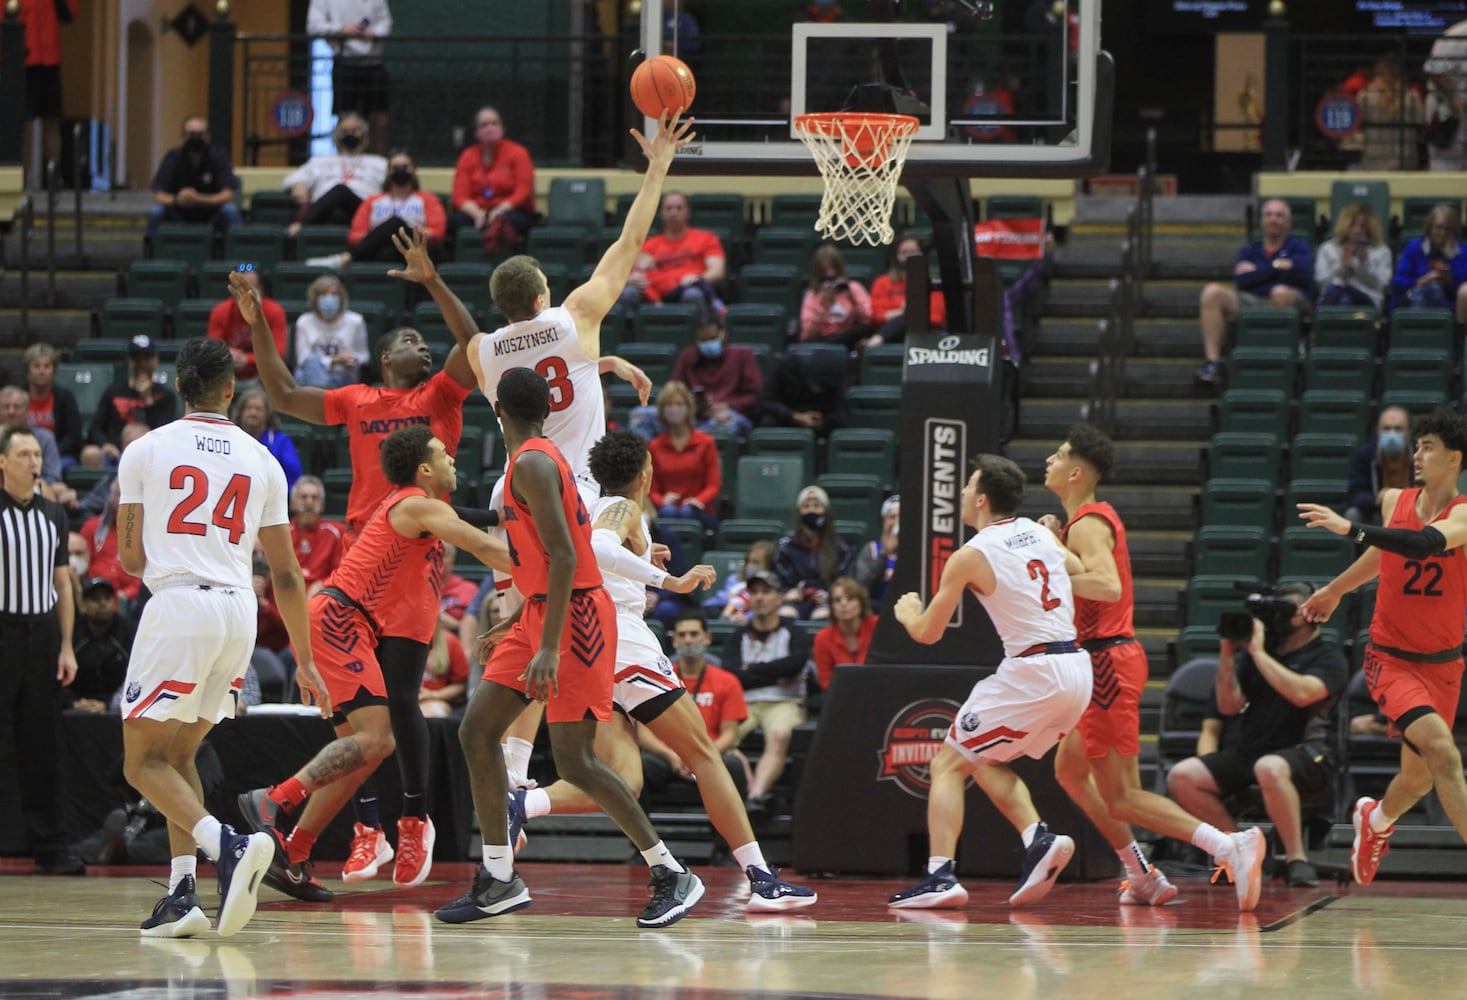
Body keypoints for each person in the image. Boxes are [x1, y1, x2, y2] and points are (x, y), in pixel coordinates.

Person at [236, 240, 476, 883]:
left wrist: (433, 282)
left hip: (417, 551)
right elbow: (282, 390)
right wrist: (258, 322)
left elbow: (472, 343)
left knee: (400, 702)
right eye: (407, 339)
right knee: (360, 718)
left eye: (423, 343)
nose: (420, 347)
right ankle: (363, 828)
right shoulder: (355, 399)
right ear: (381, 355)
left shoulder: (442, 398)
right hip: (361, 559)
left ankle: (411, 821)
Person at [503, 429, 816, 911]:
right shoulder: (623, 506)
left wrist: (642, 557)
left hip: (587, 645)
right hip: (622, 640)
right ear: (646, 471)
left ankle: (520, 805)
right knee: (704, 755)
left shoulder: (609, 509)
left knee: (622, 781)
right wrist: (669, 580)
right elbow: (600, 549)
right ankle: (761, 878)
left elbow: (593, 556)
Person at [437, 368, 705, 927]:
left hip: (576, 616)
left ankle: (670, 872)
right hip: (539, 611)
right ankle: (498, 878)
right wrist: (516, 625)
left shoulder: (533, 462)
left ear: (497, 409)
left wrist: (550, 645)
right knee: (475, 731)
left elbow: (565, 556)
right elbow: (549, 553)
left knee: (576, 761)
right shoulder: (537, 458)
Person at [236, 424, 511, 900]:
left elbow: (476, 518)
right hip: (342, 620)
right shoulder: (416, 503)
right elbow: (484, 546)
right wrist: (565, 563)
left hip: (343, 622)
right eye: (445, 454)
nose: (453, 460)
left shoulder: (412, 504)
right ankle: (274, 800)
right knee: (378, 738)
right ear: (424, 468)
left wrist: (504, 513)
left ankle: (296, 851)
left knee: (363, 755)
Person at [114, 337, 329, 939]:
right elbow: (286, 573)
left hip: (180, 604)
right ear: (231, 390)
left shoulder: (146, 450)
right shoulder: (263, 459)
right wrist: (306, 660)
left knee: (140, 763)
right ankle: (182, 894)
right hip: (240, 611)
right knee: (180, 756)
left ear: (178, 385)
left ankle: (227, 845)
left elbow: (131, 560)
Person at [1042, 424, 1266, 907]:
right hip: (1097, 660)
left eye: (1058, 455)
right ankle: (1140, 873)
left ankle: (1231, 845)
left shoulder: (1086, 524)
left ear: (1077, 471)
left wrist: (1054, 550)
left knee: (1123, 794)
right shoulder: (1080, 523)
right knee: (1069, 771)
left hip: (1105, 661)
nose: (1049, 461)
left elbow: (1106, 586)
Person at [886, 454, 1100, 910]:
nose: (962, 492)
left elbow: (928, 634)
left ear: (981, 499)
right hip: (1077, 669)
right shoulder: (1042, 532)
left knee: (946, 763)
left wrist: (907, 614)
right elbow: (1079, 572)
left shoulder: (970, 555)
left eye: (967, 487)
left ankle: (939, 876)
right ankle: (1037, 838)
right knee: (981, 759)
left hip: (1034, 671)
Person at [1298, 407, 1467, 886]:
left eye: (1427, 446)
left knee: (1418, 778)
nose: (1416, 454)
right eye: (1416, 445)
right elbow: (1385, 551)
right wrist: (1335, 590)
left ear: (1454, 459)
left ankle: (1375, 821)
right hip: (1390, 659)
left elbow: (1421, 544)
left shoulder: (1464, 515)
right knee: (1445, 753)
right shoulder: (1396, 499)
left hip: (1444, 665)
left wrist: (1349, 528)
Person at [1166, 581, 1347, 889]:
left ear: (1310, 614)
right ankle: (1239, 849)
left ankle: (1296, 859)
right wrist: (1227, 655)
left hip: (1309, 753)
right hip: (1250, 751)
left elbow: (1304, 694)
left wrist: (1259, 652)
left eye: (1286, 611)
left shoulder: (1328, 657)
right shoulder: (1256, 655)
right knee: (1182, 776)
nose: (1278, 618)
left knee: (1269, 766)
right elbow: (1227, 705)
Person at [0, 425, 83, 875]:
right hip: (2, 630)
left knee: (44, 746)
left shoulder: (54, 514)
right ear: (3, 462)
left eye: (37, 454)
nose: (34, 461)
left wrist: (67, 645)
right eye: (23, 454)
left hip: (42, 634)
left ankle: (51, 847)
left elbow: (62, 584)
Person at [1195, 198, 1314, 386]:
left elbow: (1303, 275)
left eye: (1279, 215)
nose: (1273, 219)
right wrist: (1278, 268)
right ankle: (1213, 364)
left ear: (1289, 223)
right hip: (1252, 299)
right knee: (1212, 292)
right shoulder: (1249, 250)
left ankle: (1284, 361)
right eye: (1268, 215)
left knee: (1279, 292)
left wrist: (1259, 273)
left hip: (1292, 300)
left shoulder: (1299, 247)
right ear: (1261, 221)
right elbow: (1242, 282)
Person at [721, 569, 812, 811]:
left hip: (784, 702)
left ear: (779, 599)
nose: (759, 598)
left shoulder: (794, 631)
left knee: (779, 736)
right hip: (744, 702)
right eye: (754, 592)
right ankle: (752, 792)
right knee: (723, 740)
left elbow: (794, 666)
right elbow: (731, 675)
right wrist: (775, 674)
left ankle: (755, 796)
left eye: (766, 592)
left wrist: (751, 670)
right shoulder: (738, 635)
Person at [647, 610, 753, 800]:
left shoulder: (727, 681)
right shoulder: (658, 680)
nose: (688, 640)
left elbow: (730, 733)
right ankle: (639, 830)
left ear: (707, 638)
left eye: (694, 634)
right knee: (638, 766)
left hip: (710, 753)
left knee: (733, 766)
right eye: (682, 635)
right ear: (674, 641)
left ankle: (727, 830)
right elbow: (642, 732)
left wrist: (701, 756)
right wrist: (671, 755)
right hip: (668, 756)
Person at [308, 151, 447, 271]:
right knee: (387, 252)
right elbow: (355, 234)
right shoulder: (372, 201)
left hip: (414, 248)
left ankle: (346, 258)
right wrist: (379, 237)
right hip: (378, 251)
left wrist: (405, 233)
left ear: (413, 171)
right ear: (388, 172)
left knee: (395, 223)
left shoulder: (428, 199)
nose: (400, 170)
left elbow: (437, 232)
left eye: (405, 167)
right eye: (395, 167)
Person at [616, 192, 726, 335]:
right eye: (669, 208)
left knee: (693, 295)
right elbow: (630, 273)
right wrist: (632, 280)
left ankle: (700, 340)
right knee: (628, 293)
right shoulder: (650, 245)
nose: (674, 213)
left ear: (688, 212)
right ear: (661, 213)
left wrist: (698, 279)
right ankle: (632, 340)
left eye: (679, 208)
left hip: (688, 288)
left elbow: (717, 272)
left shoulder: (706, 239)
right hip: (657, 291)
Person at [307, 1, 394, 154]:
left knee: (379, 119)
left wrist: (373, 32)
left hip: (373, 64)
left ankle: (377, 161)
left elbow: (386, 23)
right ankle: (342, 162)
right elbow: (313, 26)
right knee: (344, 117)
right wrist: (342, 29)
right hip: (344, 63)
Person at [282, 111, 387, 236]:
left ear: (364, 134)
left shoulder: (380, 163)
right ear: (336, 134)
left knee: (340, 190)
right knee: (337, 215)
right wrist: (298, 184)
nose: (349, 134)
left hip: (363, 211)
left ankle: (300, 225)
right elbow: (289, 181)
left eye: (355, 131)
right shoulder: (320, 161)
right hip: (325, 213)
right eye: (345, 131)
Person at [450, 106, 536, 253]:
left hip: (510, 211)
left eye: (494, 123)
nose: (490, 128)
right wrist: (477, 213)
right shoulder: (467, 156)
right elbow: (459, 196)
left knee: (511, 222)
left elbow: (524, 191)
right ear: (476, 132)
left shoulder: (518, 153)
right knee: (455, 222)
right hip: (478, 212)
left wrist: (500, 210)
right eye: (484, 125)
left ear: (502, 128)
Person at [84, 335, 178, 466]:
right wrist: (106, 445)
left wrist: (148, 400)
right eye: (137, 359)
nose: (142, 363)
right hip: (116, 452)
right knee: (90, 453)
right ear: (129, 361)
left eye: (147, 358)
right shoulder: (113, 391)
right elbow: (95, 428)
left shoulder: (165, 395)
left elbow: (164, 433)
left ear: (156, 360)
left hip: (151, 454)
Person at [145, 116, 243, 239]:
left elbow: (228, 195)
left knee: (230, 211)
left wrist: (199, 199)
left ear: (207, 137)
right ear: (183, 136)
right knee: (156, 212)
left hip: (211, 214)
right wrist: (177, 200)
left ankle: (238, 255)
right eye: (191, 134)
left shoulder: (218, 156)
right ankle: (152, 255)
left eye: (200, 134)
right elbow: (158, 195)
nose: (196, 139)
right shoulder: (173, 157)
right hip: (179, 214)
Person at [665, 320, 762, 441]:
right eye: (703, 340)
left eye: (712, 338)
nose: (708, 343)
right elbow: (673, 390)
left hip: (729, 414)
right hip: (692, 416)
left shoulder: (743, 355)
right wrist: (690, 405)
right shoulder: (687, 356)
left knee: (724, 424)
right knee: (643, 415)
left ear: (723, 334)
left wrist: (728, 405)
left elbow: (755, 396)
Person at [646, 381, 721, 533]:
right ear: (662, 410)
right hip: (667, 510)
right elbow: (650, 488)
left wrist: (698, 501)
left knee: (687, 512)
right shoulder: (655, 446)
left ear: (688, 408)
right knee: (668, 512)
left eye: (679, 404)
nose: (674, 409)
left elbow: (713, 485)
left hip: (699, 510)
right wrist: (662, 501)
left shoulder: (706, 442)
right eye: (669, 404)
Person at [18, 0, 77, 184]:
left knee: (52, 119)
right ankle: (22, 176)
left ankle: (53, 176)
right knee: (23, 123)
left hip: (50, 60)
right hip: (24, 61)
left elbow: (70, 13)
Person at [774, 485, 852, 620]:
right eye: (806, 506)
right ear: (799, 512)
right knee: (785, 614)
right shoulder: (785, 546)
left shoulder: (840, 548)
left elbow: (843, 580)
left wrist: (829, 595)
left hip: (827, 600)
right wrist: (788, 594)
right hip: (794, 599)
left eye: (817, 506)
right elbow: (779, 580)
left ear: (825, 511)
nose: (812, 510)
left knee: (823, 615)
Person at [862, 233, 946, 348]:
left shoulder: (933, 283)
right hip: (892, 336)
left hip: (924, 335)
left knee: (909, 317)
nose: (908, 257)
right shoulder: (882, 282)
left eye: (913, 252)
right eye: (903, 253)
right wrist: (904, 312)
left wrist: (906, 313)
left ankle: (875, 341)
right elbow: (877, 316)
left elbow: (936, 317)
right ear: (896, 256)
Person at [1389, 203, 1467, 320]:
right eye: (1439, 228)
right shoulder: (1414, 248)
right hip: (1414, 299)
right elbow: (1397, 282)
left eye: (1447, 229)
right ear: (1430, 228)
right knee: (1430, 290)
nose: (1443, 233)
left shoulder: (1461, 252)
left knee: (1435, 290)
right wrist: (1421, 281)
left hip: (1448, 307)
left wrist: (1451, 268)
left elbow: (1463, 291)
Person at [67, 576, 133, 713]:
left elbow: (136, 675)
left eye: (107, 598)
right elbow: (59, 674)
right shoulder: (72, 631)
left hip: (118, 706)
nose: (102, 603)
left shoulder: (127, 630)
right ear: (83, 604)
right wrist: (73, 701)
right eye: (95, 599)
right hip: (78, 705)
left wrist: (109, 703)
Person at [1313, 202, 1394, 312]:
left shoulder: (1382, 251)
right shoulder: (1328, 249)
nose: (1357, 230)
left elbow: (1381, 285)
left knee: (1345, 298)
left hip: (1368, 299)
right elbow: (1321, 282)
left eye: (1363, 227)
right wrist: (1342, 266)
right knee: (1343, 299)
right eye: (1353, 225)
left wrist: (1364, 262)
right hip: (1334, 298)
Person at [293, 275, 369, 389]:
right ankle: (327, 396)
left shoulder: (356, 321)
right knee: (311, 361)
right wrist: (332, 361)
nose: (329, 299)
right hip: (310, 375)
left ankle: (321, 398)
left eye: (334, 294)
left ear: (341, 297)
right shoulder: (304, 321)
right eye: (323, 295)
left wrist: (352, 360)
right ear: (315, 298)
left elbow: (364, 356)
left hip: (343, 376)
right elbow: (302, 359)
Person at [0, 385, 70, 505]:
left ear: (27, 410)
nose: (11, 412)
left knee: (57, 489)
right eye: (6, 407)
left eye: (17, 407)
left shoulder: (44, 438)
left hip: (35, 490)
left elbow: (52, 478)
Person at [1345, 406, 1412, 526]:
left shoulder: (1420, 453)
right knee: (1353, 515)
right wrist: (1378, 498)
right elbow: (1355, 494)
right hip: (1377, 511)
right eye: (1386, 429)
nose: (1392, 435)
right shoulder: (1365, 454)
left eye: (1398, 429)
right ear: (1378, 431)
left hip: (1414, 510)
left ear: (1408, 432)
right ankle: (1360, 544)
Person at [756, 347, 848, 433]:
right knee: (768, 422)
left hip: (818, 418)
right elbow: (765, 401)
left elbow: (839, 409)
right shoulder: (785, 367)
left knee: (840, 423)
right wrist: (795, 416)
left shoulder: (834, 380)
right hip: (787, 414)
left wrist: (823, 422)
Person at [798, 244, 874, 347]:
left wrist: (852, 298)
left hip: (847, 339)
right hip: (820, 341)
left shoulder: (853, 288)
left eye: (834, 269)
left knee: (858, 332)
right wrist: (822, 302)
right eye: (825, 271)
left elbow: (868, 319)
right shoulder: (812, 296)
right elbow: (809, 333)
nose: (830, 274)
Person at [79, 480, 141, 604]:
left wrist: (123, 596)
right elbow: (81, 567)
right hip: (93, 594)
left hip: (129, 600)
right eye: (119, 495)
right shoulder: (91, 528)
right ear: (111, 498)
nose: (123, 501)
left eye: (128, 496)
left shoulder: (142, 533)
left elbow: (141, 577)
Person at [1356, 59, 1424, 171]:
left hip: (1373, 161)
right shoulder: (1411, 97)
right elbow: (1420, 122)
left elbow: (1357, 126)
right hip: (1405, 161)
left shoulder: (1365, 96)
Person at [811, 576, 876, 692]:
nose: (844, 604)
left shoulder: (877, 626)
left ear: (861, 602)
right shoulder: (823, 638)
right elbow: (826, 682)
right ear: (832, 607)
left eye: (850, 598)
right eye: (837, 600)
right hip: (841, 697)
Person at [231, 388, 302, 493]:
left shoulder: (281, 442)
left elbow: (294, 477)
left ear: (268, 414)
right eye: (249, 408)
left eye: (258, 409)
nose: (253, 413)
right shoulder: (231, 439)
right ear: (240, 412)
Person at [23, 343, 83, 467]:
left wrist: (51, 453)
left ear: (54, 371)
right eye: (36, 366)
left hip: (58, 454)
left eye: (47, 366)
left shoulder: (65, 397)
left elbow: (73, 435)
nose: (42, 371)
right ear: (28, 371)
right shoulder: (18, 397)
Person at [1423, 18, 1467, 172]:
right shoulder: (1457, 34)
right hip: (1448, 108)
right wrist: (1452, 97)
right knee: (1445, 161)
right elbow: (1435, 72)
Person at [288, 475, 345, 593]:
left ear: (322, 505)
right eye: (303, 497)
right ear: (292, 504)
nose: (309, 503)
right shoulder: (282, 532)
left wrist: (323, 584)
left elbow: (342, 573)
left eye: (315, 498)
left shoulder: (336, 533)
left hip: (323, 599)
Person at [708, 538, 778, 622]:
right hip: (727, 611)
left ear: (768, 565)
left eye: (755, 562)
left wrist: (747, 617)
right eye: (748, 561)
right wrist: (728, 597)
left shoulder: (772, 583)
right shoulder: (734, 579)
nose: (750, 565)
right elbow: (719, 600)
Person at [852, 494, 899, 610]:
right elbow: (862, 590)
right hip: (874, 611)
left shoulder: (917, 554)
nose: (897, 523)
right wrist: (884, 555)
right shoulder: (871, 550)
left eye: (902, 517)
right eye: (892, 517)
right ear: (883, 521)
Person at [419, 620, 470, 719]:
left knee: (429, 715)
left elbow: (461, 683)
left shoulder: (449, 641)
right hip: (399, 701)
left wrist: (434, 695)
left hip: (435, 700)